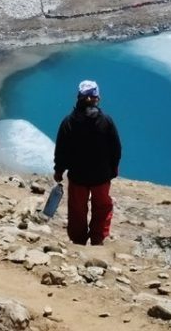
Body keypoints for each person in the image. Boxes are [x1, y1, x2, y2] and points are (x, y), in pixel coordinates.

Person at [53, 78, 121, 245]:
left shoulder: (68, 122)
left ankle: (78, 241)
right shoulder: (106, 121)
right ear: (98, 98)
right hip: (101, 176)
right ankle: (97, 239)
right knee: (102, 207)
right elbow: (116, 148)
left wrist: (59, 170)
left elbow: (62, 149)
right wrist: (113, 169)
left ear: (78, 98)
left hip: (78, 176)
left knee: (77, 209)